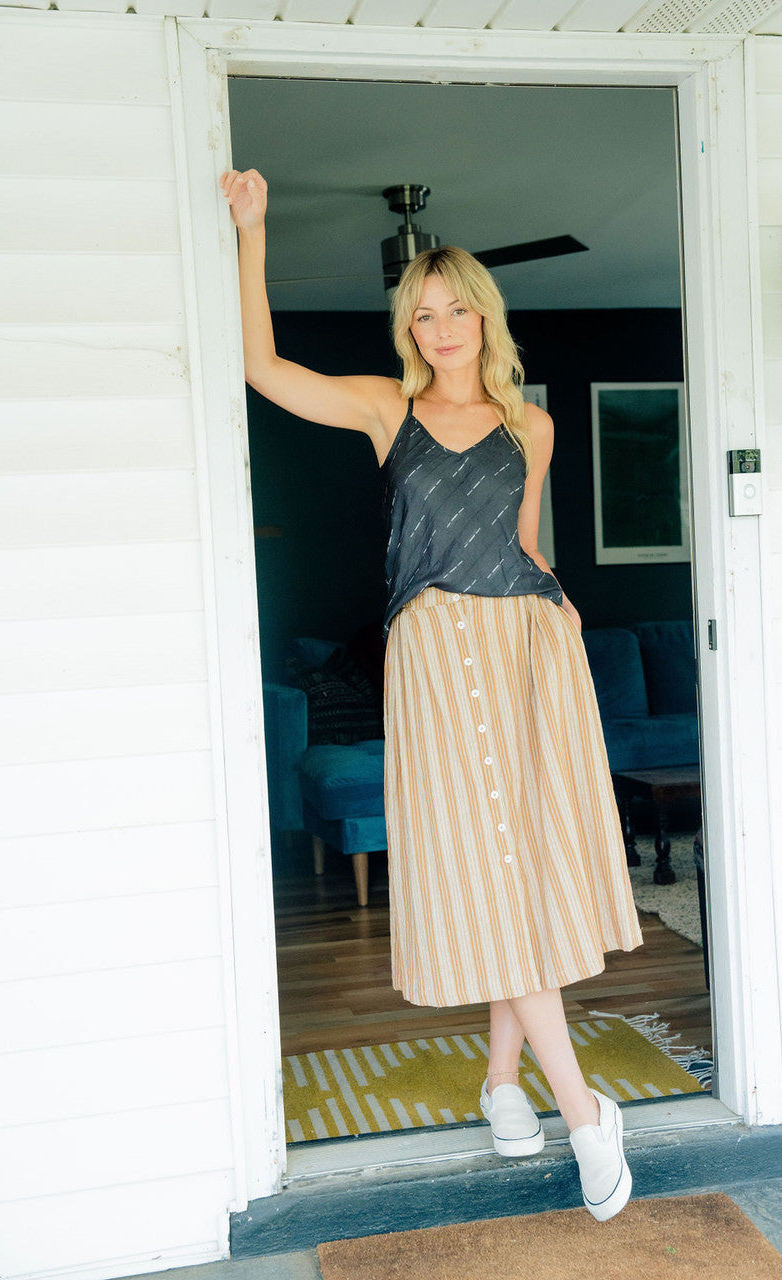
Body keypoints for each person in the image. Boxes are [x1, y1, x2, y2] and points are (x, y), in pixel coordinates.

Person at [221, 167, 645, 1222]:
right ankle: (581, 1108)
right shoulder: (387, 409)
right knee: (490, 860)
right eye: (423, 310)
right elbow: (260, 366)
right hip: (433, 652)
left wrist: (563, 604)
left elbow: (525, 544)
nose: (442, 323)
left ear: (482, 316)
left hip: (527, 644)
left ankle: (505, 1083)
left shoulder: (530, 424)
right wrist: (254, 231)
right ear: (407, 327)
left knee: (524, 857)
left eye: (457, 306)